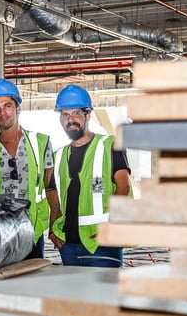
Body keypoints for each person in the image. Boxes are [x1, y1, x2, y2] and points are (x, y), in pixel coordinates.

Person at [0, 78, 57, 259]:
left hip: (33, 228)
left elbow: (51, 188)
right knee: (1, 284)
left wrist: (54, 226)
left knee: (31, 282)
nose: (2, 113)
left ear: (18, 108)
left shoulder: (41, 143)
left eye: (7, 105)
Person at [48, 84, 131, 267]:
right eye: (65, 114)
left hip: (102, 244)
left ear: (88, 116)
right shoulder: (58, 156)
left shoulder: (110, 145)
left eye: (76, 113)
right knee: (72, 296)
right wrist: (52, 231)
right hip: (68, 244)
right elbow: (55, 197)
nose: (71, 119)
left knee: (104, 295)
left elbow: (123, 186)